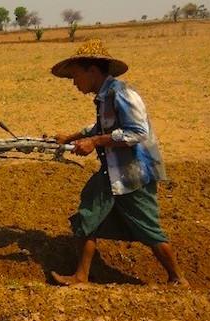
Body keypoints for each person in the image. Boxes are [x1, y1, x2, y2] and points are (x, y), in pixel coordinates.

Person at [50, 39, 188, 286]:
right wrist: (71, 137)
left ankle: (178, 278)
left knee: (149, 229)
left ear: (92, 70)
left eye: (75, 76)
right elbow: (102, 127)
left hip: (133, 174)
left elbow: (137, 132)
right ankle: (81, 276)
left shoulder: (123, 94)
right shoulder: (105, 97)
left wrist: (95, 142)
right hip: (112, 172)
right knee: (88, 214)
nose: (73, 83)